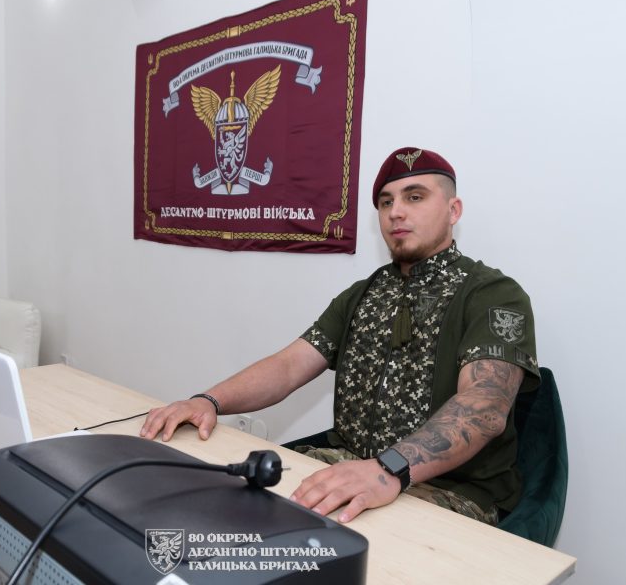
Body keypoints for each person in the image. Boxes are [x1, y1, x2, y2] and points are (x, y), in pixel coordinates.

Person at [141, 147, 539, 526]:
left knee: (324, 546)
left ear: (454, 210)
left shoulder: (493, 294)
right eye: (385, 202)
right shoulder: (364, 293)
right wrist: (208, 400)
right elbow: (290, 365)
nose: (396, 212)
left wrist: (388, 468)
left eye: (415, 197)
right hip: (348, 464)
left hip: (450, 490)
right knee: (217, 502)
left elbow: (484, 405)